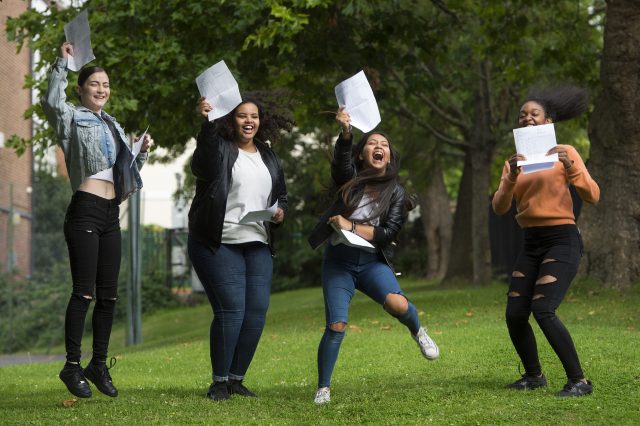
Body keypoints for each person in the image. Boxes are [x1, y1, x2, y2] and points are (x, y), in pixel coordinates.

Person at [307, 107, 440, 405]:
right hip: (339, 262)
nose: (378, 147)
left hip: (370, 262)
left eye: (384, 145)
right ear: (361, 154)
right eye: (371, 143)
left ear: (390, 157)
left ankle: (418, 331)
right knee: (337, 324)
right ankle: (323, 388)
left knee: (398, 303)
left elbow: (387, 234)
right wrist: (345, 133)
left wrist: (350, 224)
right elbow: (340, 165)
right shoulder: (349, 178)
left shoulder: (396, 193)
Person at [41, 42, 151, 398]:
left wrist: (141, 152)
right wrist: (64, 61)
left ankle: (98, 365)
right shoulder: (71, 117)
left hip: (109, 213)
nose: (102, 89)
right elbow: (50, 102)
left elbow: (124, 174)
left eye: (106, 85)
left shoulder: (113, 124)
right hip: (85, 209)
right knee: (84, 292)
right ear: (81, 89)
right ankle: (72, 366)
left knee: (109, 297)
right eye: (95, 84)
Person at [492, 86, 600, 397]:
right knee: (515, 313)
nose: (527, 118)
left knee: (543, 308)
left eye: (533, 114)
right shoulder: (514, 161)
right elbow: (500, 207)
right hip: (531, 242)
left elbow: (593, 196)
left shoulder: (565, 152)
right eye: (522, 114)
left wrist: (571, 167)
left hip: (561, 239)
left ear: (547, 121)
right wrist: (511, 175)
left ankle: (579, 380)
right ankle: (534, 375)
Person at [188, 95, 292, 401]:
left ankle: (236, 379)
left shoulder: (268, 155)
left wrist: (280, 212)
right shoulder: (218, 148)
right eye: (242, 116)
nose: (249, 121)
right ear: (230, 120)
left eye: (254, 116)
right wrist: (206, 125)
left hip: (257, 241)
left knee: (256, 313)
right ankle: (219, 382)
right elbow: (202, 164)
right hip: (218, 240)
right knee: (231, 310)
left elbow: (281, 194)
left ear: (261, 121)